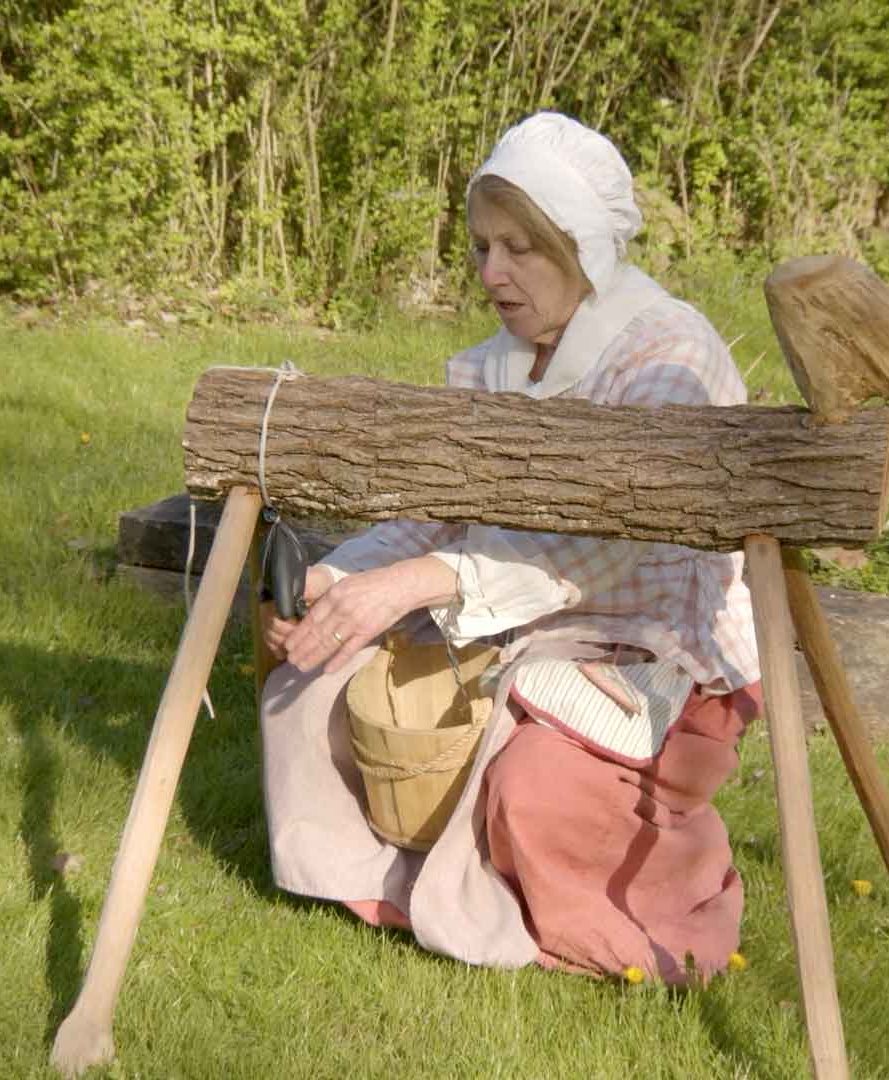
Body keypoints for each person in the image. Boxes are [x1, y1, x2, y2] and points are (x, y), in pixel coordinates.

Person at [258, 112, 762, 986]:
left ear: (585, 247)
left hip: (654, 653)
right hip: (504, 624)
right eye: (483, 246)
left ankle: (656, 899)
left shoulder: (667, 359)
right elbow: (440, 516)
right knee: (311, 682)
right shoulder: (495, 364)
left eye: (520, 248)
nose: (492, 273)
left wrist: (423, 582)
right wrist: (341, 580)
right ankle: (389, 883)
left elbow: (620, 548)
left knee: (531, 788)